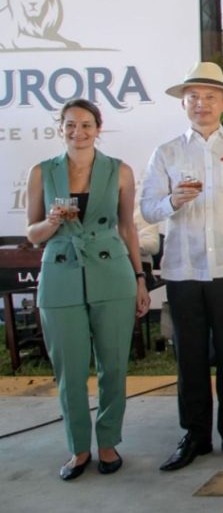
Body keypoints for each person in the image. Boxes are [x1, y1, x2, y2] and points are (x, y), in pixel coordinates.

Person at [140, 62, 223, 471]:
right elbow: (147, 207)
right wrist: (171, 203)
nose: (202, 104)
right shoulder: (166, 153)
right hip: (183, 270)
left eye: (210, 96)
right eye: (194, 97)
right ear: (184, 103)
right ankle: (195, 435)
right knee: (190, 359)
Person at [25, 99, 149, 480]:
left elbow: (128, 228)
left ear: (98, 128)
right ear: (59, 128)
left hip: (112, 271)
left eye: (85, 125)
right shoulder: (42, 172)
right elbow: (32, 235)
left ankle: (108, 443)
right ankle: (79, 449)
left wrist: (140, 278)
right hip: (60, 275)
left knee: (113, 365)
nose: (77, 132)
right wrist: (51, 223)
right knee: (70, 370)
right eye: (70, 125)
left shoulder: (120, 171)